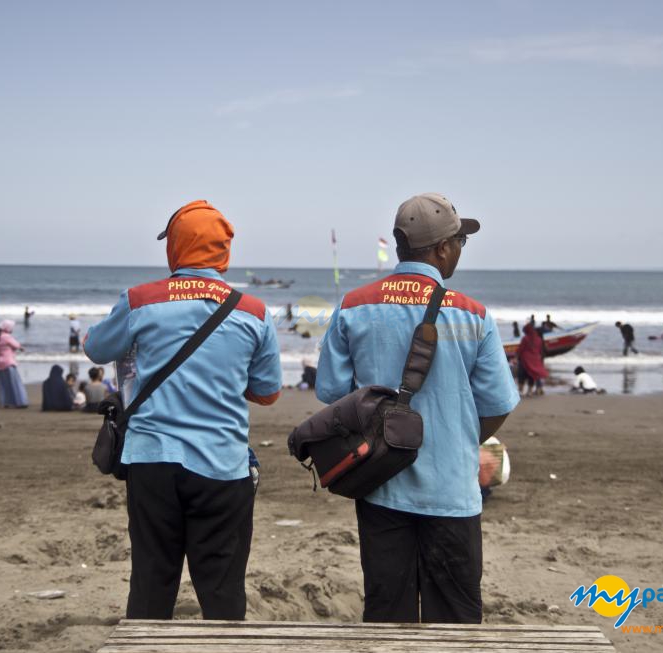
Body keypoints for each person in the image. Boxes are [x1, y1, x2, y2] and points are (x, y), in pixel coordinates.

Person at [316, 193, 519, 624]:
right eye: (460, 241)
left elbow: (333, 393)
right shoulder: (473, 315)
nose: (461, 250)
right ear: (443, 248)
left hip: (379, 484)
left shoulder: (353, 306)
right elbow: (499, 404)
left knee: (387, 615)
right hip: (452, 495)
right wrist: (460, 439)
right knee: (457, 622)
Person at [84, 199, 282, 621]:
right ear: (224, 251)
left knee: (152, 583)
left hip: (151, 461)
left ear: (174, 248)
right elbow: (268, 393)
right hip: (223, 466)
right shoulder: (254, 312)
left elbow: (95, 348)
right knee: (224, 588)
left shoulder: (140, 300)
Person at [0, 319, 28, 408]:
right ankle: (20, 402)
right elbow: (16, 345)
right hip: (8, 362)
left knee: (4, 384)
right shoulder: (7, 337)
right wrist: (21, 348)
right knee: (14, 383)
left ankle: (6, 402)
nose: (12, 329)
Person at [516, 322, 548, 396]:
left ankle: (521, 390)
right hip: (535, 360)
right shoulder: (539, 339)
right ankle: (530, 391)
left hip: (525, 360)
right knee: (532, 375)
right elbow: (540, 350)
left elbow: (521, 349)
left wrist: (517, 357)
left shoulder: (525, 338)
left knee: (522, 375)